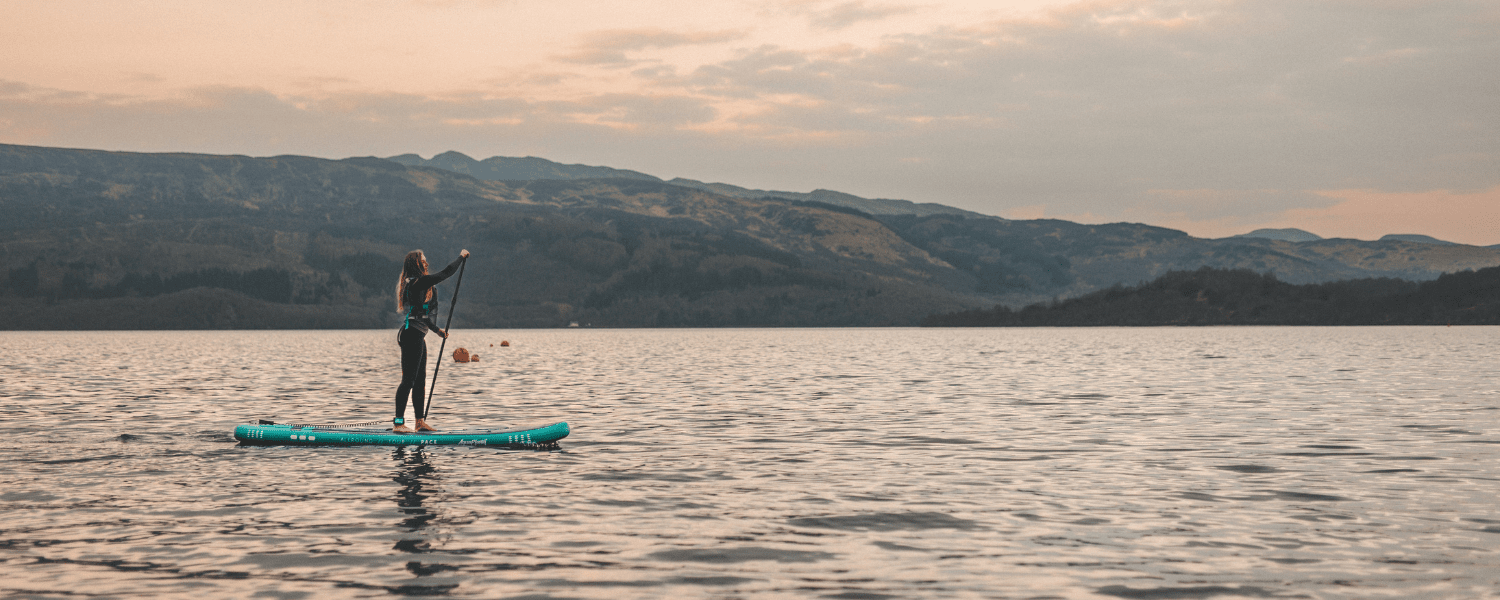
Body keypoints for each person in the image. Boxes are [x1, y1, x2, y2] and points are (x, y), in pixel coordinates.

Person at [394, 248, 469, 432]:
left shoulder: (416, 284)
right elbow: (446, 273)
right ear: (417, 263)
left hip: (418, 335)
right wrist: (461, 257)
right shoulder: (418, 282)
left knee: (420, 381)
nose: (426, 261)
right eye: (423, 259)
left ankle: (419, 423)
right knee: (409, 381)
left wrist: (436, 331)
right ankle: (398, 423)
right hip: (411, 335)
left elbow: (422, 315)